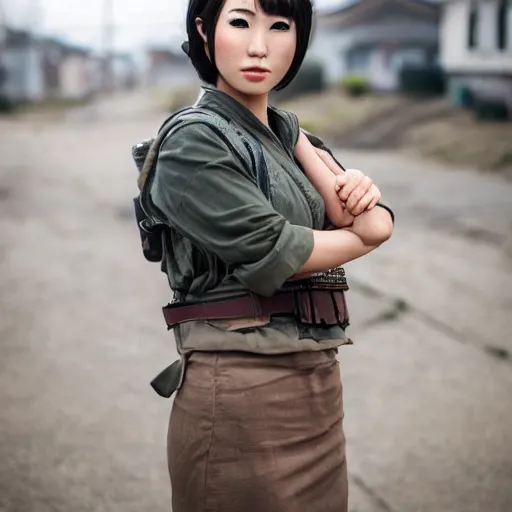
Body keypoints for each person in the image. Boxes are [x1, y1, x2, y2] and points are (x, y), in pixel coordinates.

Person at [147, 0, 394, 510]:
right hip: (242, 389)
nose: (260, 45)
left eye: (280, 26)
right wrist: (366, 239)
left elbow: (370, 218)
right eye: (239, 22)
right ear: (203, 29)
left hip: (318, 382)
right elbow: (276, 250)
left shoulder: (288, 137)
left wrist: (298, 137)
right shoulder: (192, 141)